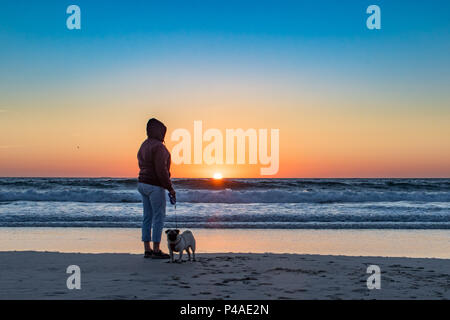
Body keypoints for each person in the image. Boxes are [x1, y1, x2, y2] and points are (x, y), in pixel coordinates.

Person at [137, 118, 176, 259]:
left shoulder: (144, 145)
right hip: (154, 185)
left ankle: (147, 249)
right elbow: (162, 170)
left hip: (142, 183)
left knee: (147, 217)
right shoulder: (159, 147)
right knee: (159, 217)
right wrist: (170, 188)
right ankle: (156, 249)